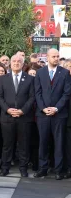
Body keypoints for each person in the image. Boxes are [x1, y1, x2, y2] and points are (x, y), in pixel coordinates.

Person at [34, 49, 71, 180]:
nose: (56, 58)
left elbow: (66, 94)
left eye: (57, 56)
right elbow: (37, 93)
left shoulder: (65, 73)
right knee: (43, 142)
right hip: (43, 115)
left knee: (59, 143)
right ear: (48, 57)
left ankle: (58, 170)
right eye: (53, 56)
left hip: (59, 115)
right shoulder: (40, 73)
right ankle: (42, 169)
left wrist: (56, 108)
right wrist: (43, 108)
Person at [0, 55, 35, 177]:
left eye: (19, 61)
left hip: (24, 117)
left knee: (23, 144)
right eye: (14, 61)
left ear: (23, 64)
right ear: (10, 63)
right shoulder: (3, 79)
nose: (16, 63)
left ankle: (23, 168)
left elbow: (32, 97)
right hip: (7, 117)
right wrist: (8, 109)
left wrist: (23, 110)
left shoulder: (29, 79)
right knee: (7, 144)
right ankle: (5, 167)